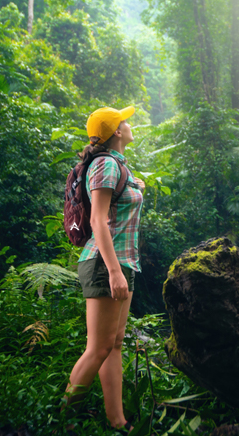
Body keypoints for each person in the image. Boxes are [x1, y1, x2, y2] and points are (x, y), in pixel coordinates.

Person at [62, 106, 144, 433]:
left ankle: (118, 422)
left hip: (123, 261)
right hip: (105, 264)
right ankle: (59, 418)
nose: (129, 123)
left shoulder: (119, 167)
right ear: (115, 131)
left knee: (115, 343)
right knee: (98, 347)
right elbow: (97, 219)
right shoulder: (106, 165)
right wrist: (113, 272)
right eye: (124, 121)